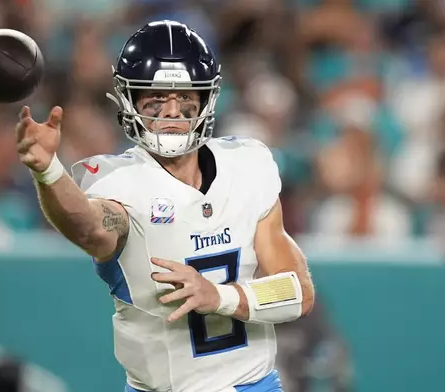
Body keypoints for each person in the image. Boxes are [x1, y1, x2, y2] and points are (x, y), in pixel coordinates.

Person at [16, 20, 315, 392]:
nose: (172, 111)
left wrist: (220, 296)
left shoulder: (248, 166)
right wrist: (48, 171)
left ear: (206, 100)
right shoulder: (119, 182)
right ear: (131, 102)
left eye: (184, 98)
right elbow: (89, 227)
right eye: (156, 99)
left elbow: (296, 291)